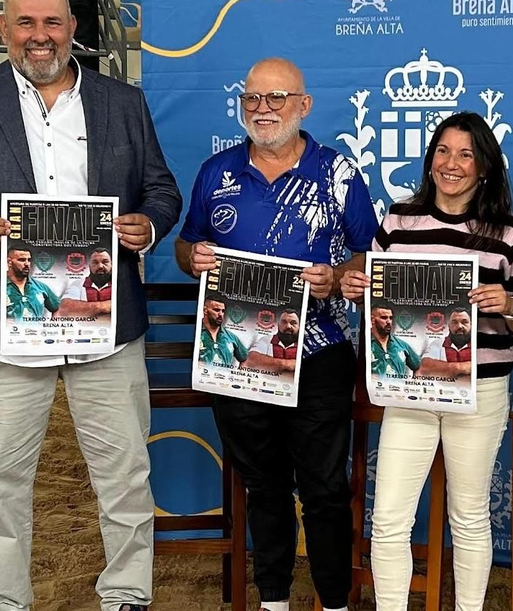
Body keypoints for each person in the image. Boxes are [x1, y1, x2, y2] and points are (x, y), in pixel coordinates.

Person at [0, 0, 181, 611]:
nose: (39, 36)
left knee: (126, 475)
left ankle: (127, 593)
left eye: (52, 22)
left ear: (73, 30)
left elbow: (162, 190)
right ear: (4, 29)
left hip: (106, 329)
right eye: (24, 22)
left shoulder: (122, 102)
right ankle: (4, 599)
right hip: (4, 328)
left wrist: (149, 223)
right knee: (1, 479)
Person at [175, 57, 377, 611]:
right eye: (253, 100)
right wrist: (191, 258)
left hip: (321, 353)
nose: (263, 110)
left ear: (303, 105)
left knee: (324, 490)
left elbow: (368, 254)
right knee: (262, 486)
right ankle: (273, 600)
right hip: (235, 352)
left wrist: (337, 278)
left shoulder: (338, 174)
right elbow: (185, 242)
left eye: (276, 99)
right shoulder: (216, 173)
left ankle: (334, 600)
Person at [338, 111, 513, 611]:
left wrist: (510, 306)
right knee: (388, 518)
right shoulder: (398, 220)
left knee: (469, 515)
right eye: (443, 151)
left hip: (479, 392)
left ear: (486, 168)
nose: (452, 163)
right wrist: (356, 289)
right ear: (430, 159)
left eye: (466, 154)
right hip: (406, 391)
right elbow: (378, 303)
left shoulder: (510, 234)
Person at [4, 243, 62, 322]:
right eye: (22, 260)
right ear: (9, 262)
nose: (27, 264)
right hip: (9, 333)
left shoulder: (40, 287)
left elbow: (57, 308)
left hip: (36, 333)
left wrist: (52, 329)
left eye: (29, 260)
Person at [367, 305, 422, 379]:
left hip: (398, 388)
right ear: (372, 319)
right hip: (374, 389)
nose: (389, 322)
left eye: (391, 318)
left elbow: (418, 366)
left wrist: (414, 385)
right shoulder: (365, 344)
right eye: (384, 318)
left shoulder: (401, 345)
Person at [197, 298, 245, 369]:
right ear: (205, 310)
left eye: (223, 311)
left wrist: (238, 376)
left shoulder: (231, 337)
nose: (220, 314)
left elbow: (245, 359)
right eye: (216, 310)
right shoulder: (195, 331)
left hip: (222, 378)